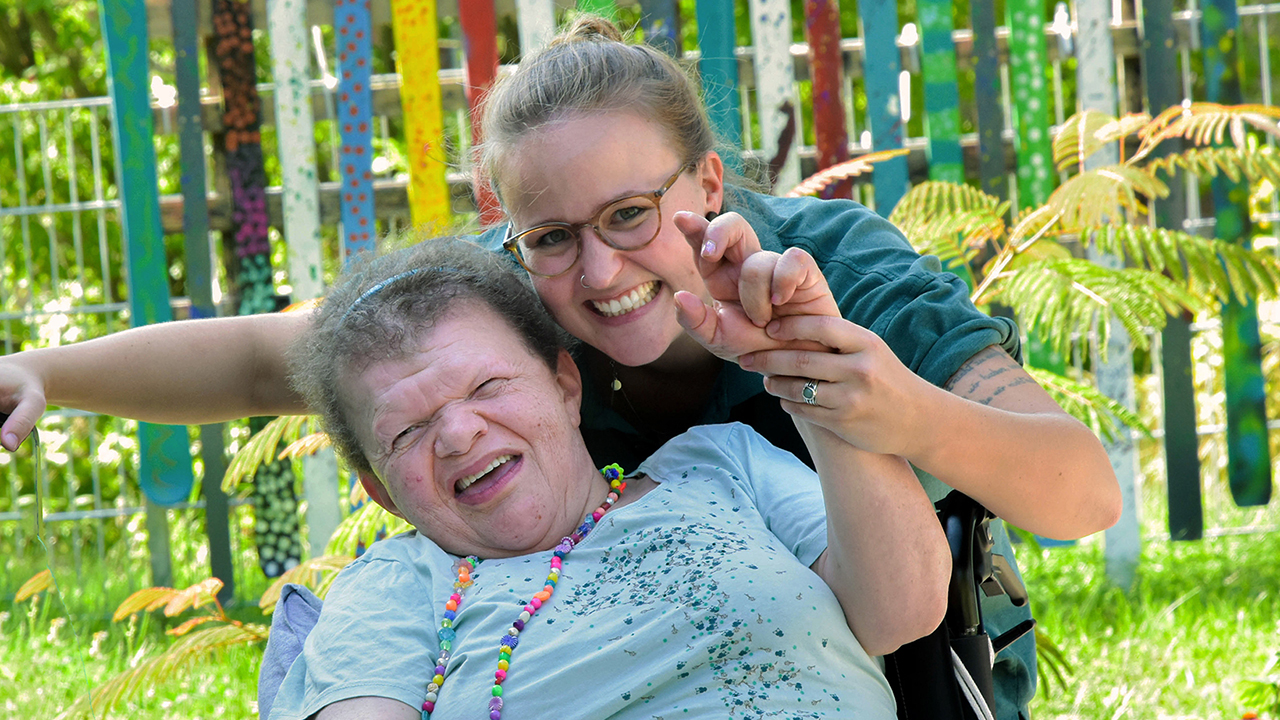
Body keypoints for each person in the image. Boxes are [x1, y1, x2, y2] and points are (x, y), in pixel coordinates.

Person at [0, 15, 1121, 719]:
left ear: (709, 184)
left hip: (902, 653)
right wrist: (44, 368)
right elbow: (272, 359)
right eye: (551, 234)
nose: (598, 270)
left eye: (632, 214)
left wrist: (880, 402)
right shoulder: (510, 300)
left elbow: (1080, 493)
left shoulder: (833, 274)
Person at [267, 237, 950, 719]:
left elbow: (904, 609)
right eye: (409, 431)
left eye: (487, 386)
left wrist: (806, 352)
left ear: (566, 387)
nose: (457, 434)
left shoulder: (725, 465)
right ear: (380, 491)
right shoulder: (398, 585)